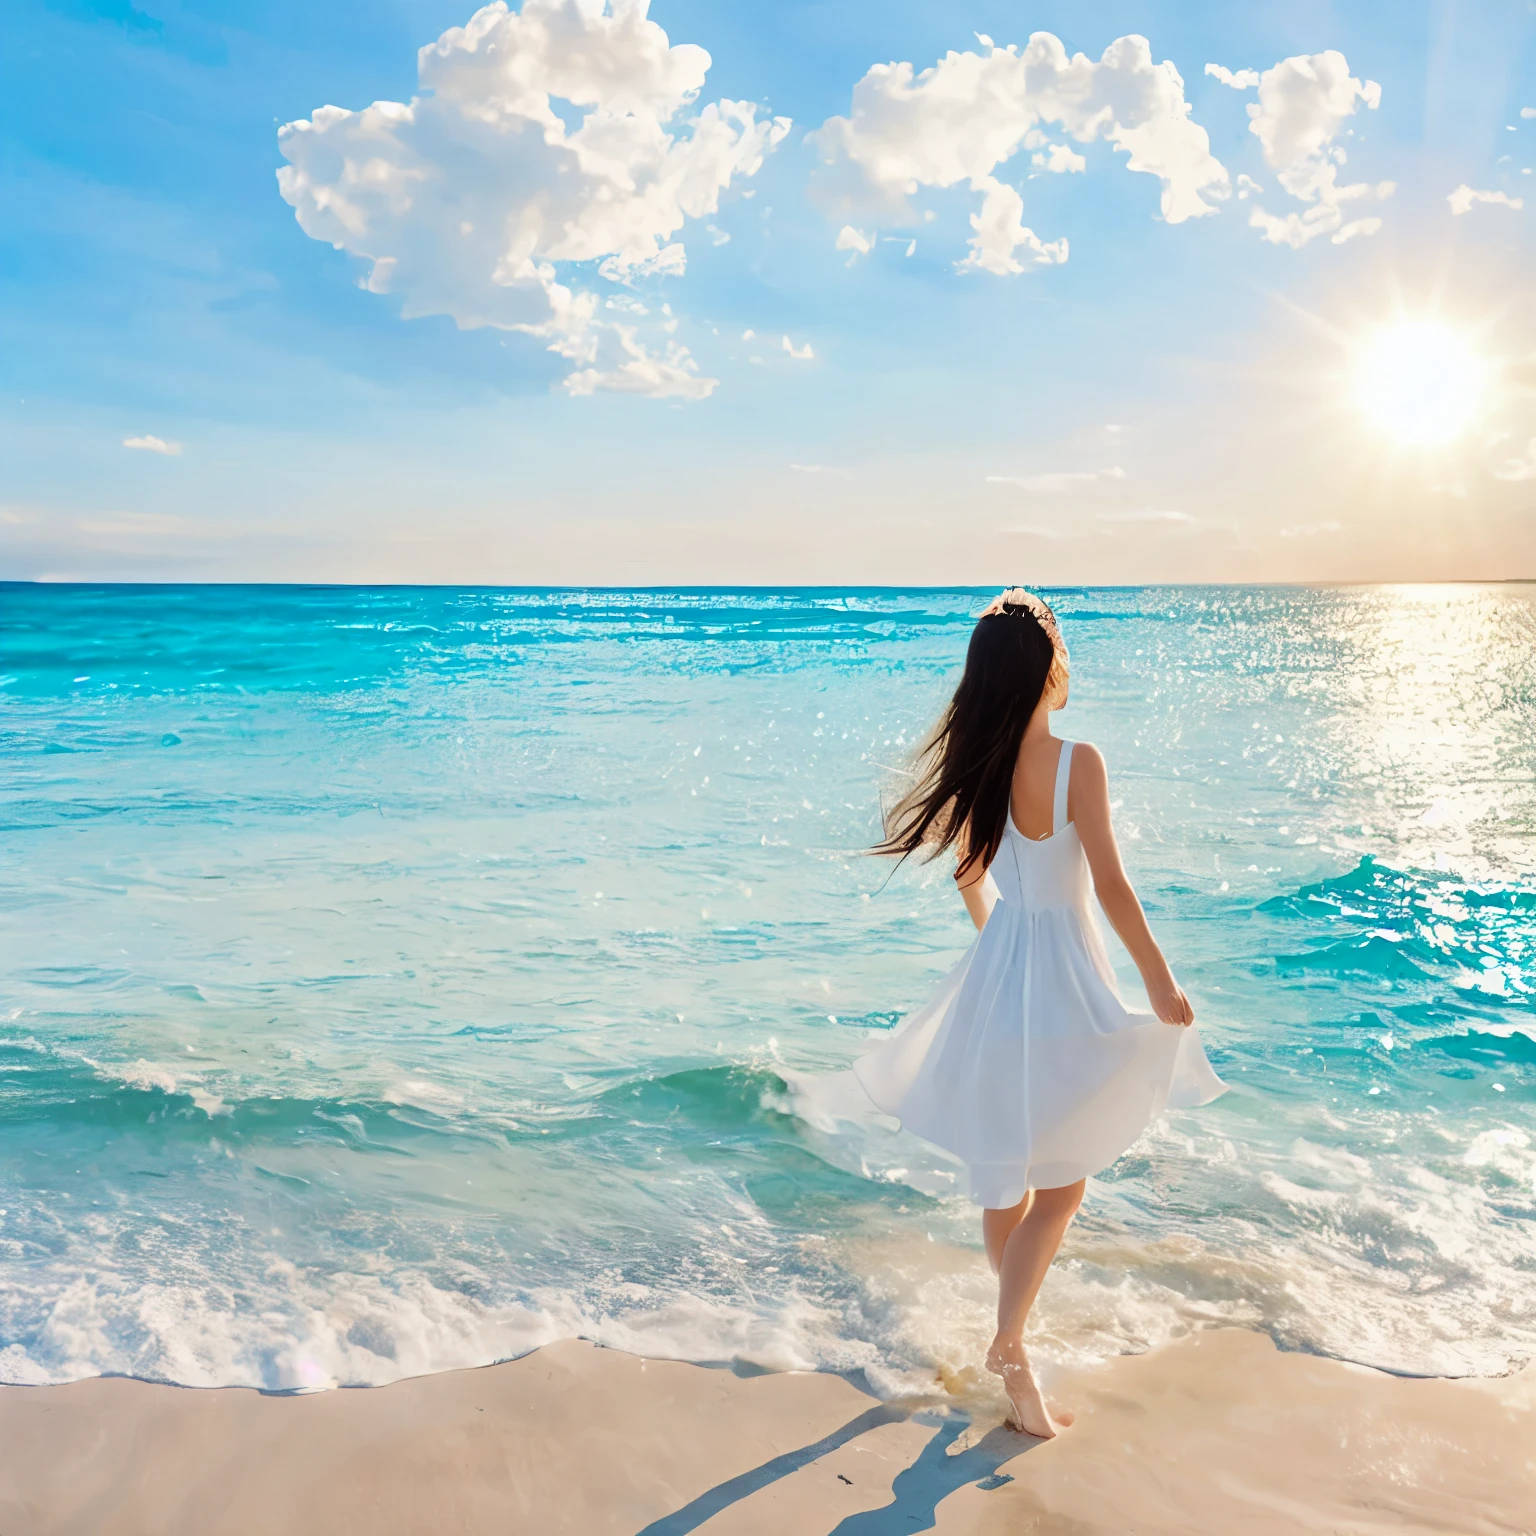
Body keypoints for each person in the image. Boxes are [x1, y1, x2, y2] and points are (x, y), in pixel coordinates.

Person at [855, 587, 1225, 1438]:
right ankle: (1009, 1343)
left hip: (1003, 977)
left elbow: (968, 876)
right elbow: (1110, 886)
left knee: (1009, 1176)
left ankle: (1017, 1375)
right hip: (1063, 980)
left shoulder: (983, 765)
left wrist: (1001, 942)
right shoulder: (1076, 761)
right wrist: (1160, 980)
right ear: (1049, 666)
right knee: (1063, 1184)